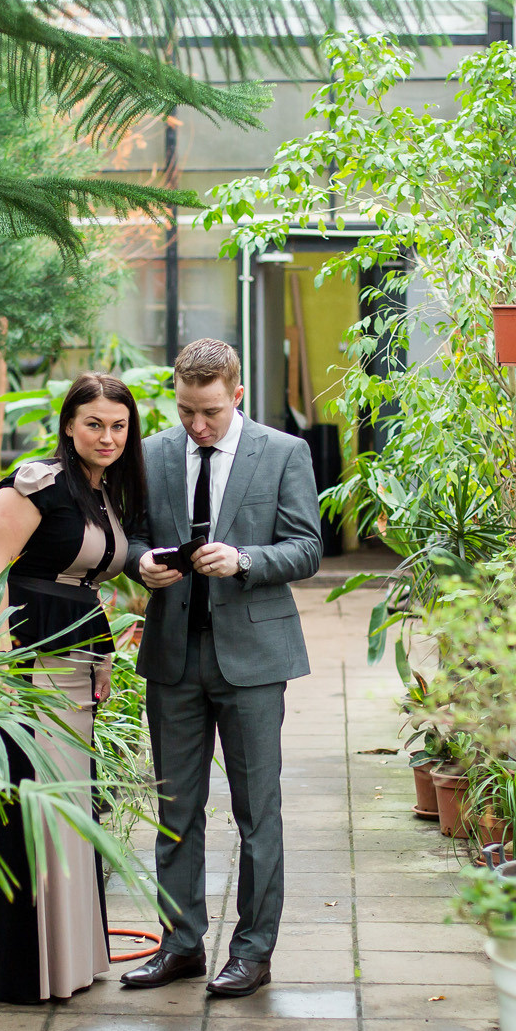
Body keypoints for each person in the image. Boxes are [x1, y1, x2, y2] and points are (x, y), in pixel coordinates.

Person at [119, 338, 323, 997]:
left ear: (237, 394)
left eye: (209, 411)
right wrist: (140, 562)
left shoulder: (284, 452)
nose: (197, 425)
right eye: (185, 411)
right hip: (172, 655)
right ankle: (180, 945)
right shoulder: (151, 453)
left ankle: (253, 953)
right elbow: (128, 535)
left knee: (257, 812)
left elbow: (307, 547)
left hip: (254, 658)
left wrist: (246, 560)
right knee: (175, 808)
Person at [0, 372, 146, 1004]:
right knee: (33, 799)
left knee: (69, 802)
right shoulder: (36, 481)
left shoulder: (104, 493)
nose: (107, 436)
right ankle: (25, 971)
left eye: (118, 426)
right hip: (29, 660)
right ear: (69, 424)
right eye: (94, 423)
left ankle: (69, 960)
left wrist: (102, 658)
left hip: (75, 661)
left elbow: (85, 586)